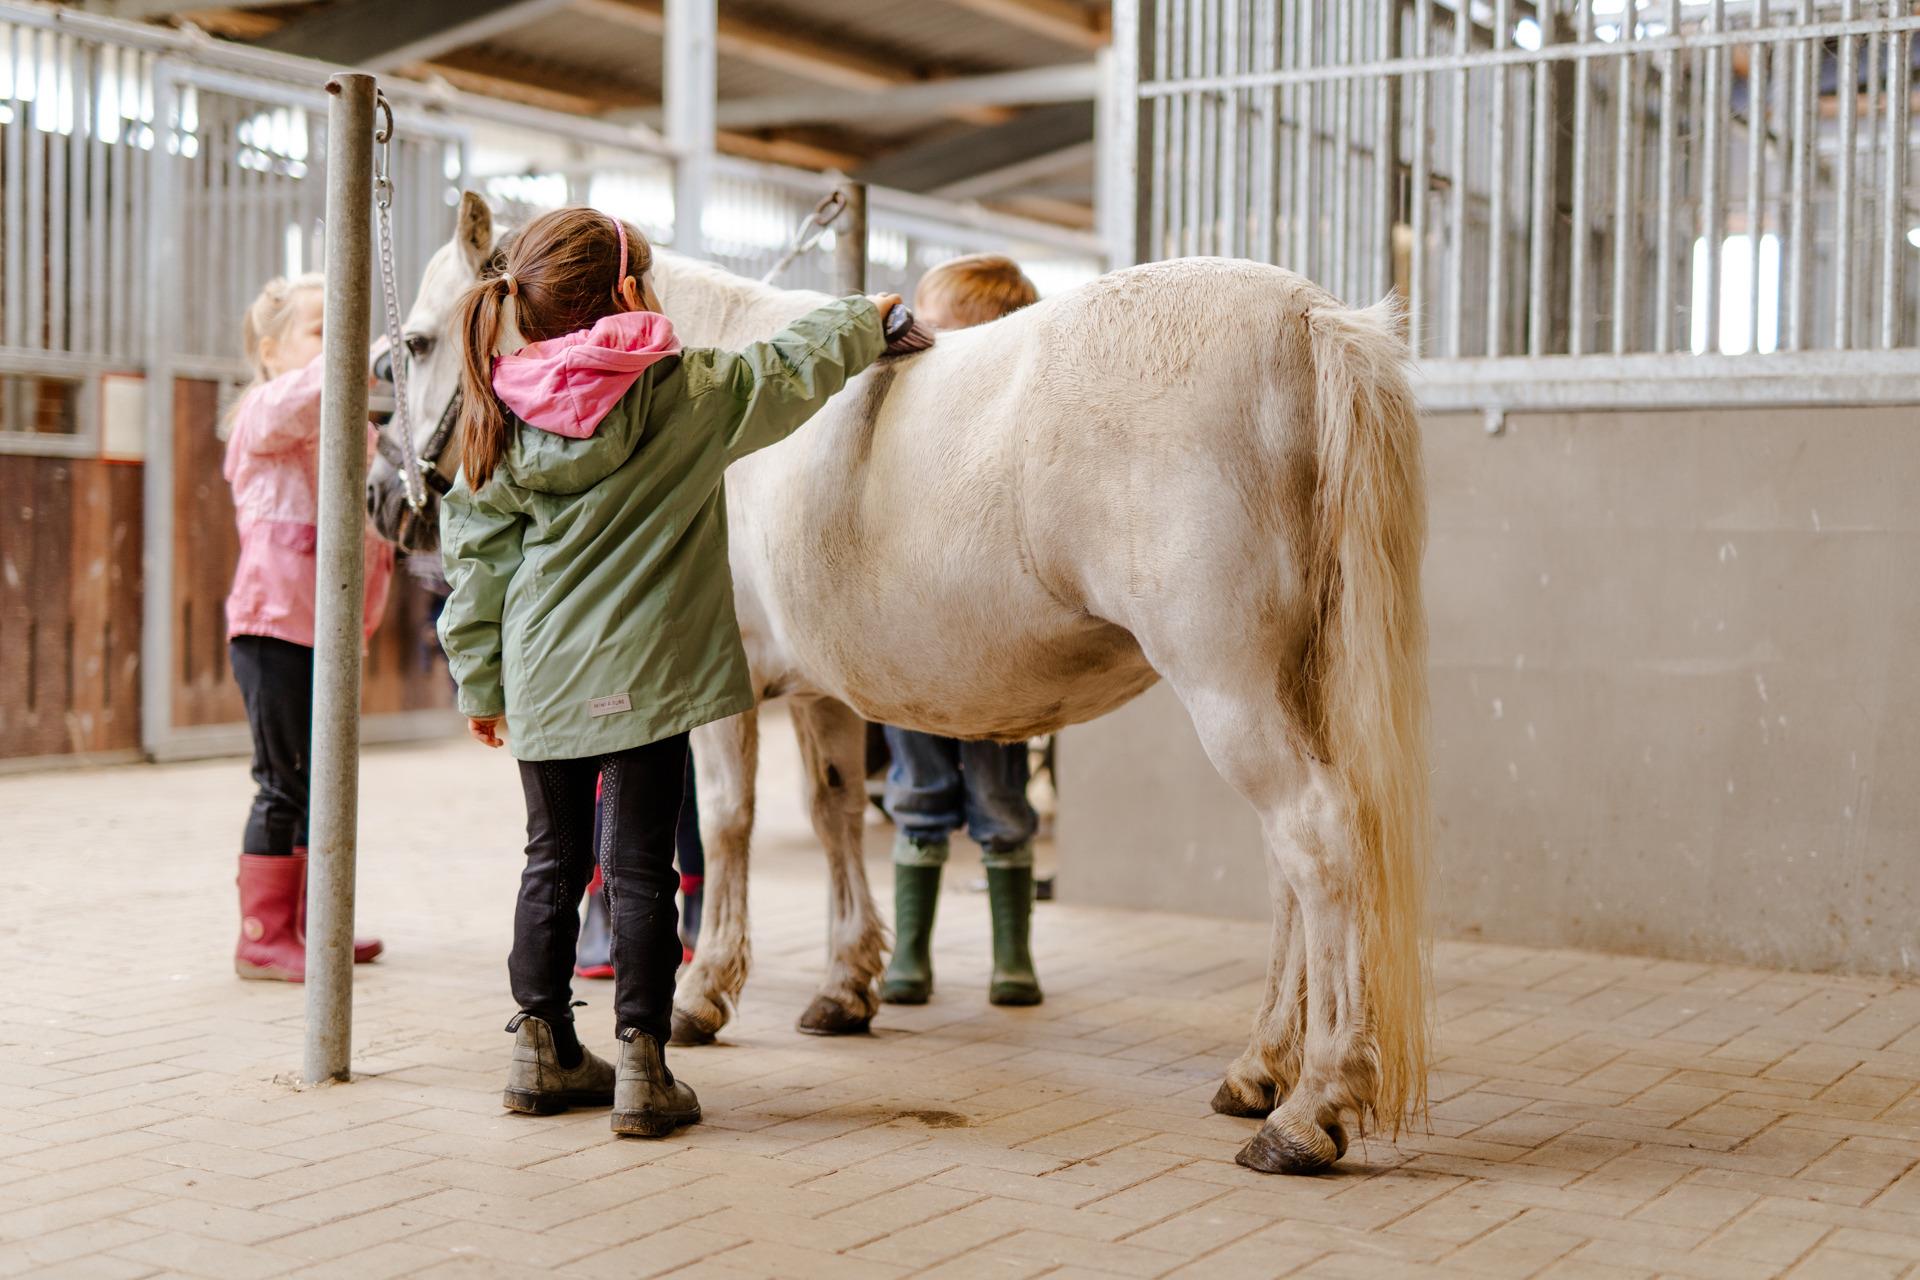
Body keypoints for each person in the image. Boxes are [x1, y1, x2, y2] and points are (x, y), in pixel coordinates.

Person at [437, 205, 896, 1138]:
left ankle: (540, 1049)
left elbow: (475, 566)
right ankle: (643, 1068)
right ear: (631, 291)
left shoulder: (500, 408)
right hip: (648, 684)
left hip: (543, 681)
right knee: (641, 868)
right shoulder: (687, 394)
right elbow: (787, 370)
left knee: (551, 863)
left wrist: (480, 687)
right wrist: (865, 317)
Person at [879, 253, 1045, 1010]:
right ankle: (909, 956)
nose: (922, 337)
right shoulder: (905, 405)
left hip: (993, 649)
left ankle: (1013, 958)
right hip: (911, 639)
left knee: (1001, 800)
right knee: (917, 791)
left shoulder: (1012, 429)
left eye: (938, 326)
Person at [224, 274, 394, 982]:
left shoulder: (351, 431)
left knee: (321, 783)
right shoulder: (263, 412)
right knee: (283, 782)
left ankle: (312, 924)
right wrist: (363, 350)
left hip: (330, 635)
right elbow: (305, 397)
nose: (341, 346)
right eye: (325, 332)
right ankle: (262, 937)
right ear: (270, 352)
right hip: (274, 629)